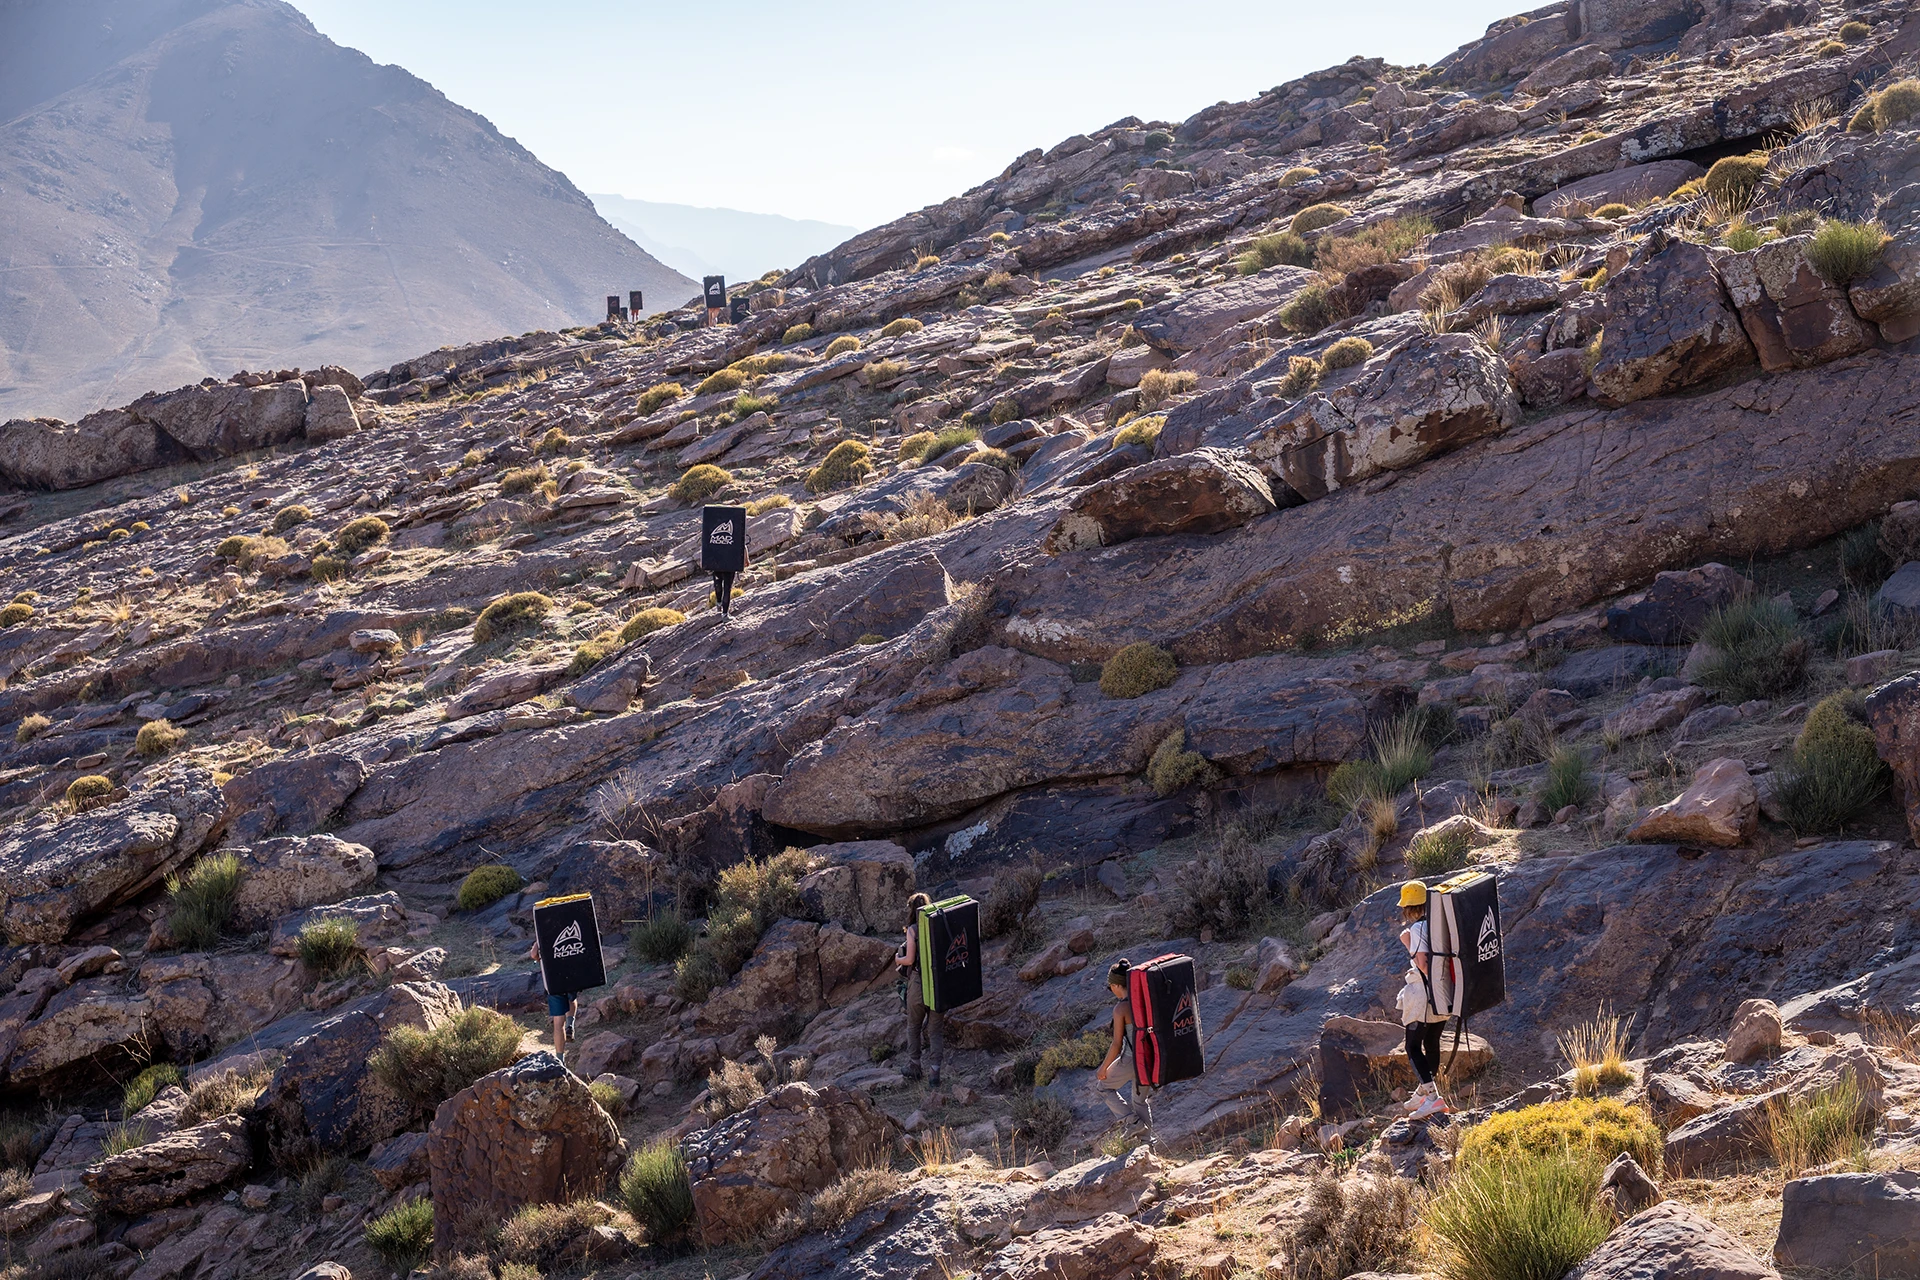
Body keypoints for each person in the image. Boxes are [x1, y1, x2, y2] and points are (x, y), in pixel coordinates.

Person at [1394, 881, 1450, 1119]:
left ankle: (1433, 1098)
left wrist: (1408, 944)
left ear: (1408, 908)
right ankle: (1422, 1093)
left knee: (1413, 1046)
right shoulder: (1443, 923)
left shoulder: (1417, 929)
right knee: (1432, 1041)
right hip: (1446, 991)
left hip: (1424, 994)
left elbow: (1424, 965)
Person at [1093, 959, 1151, 1126]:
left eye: (1111, 986)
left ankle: (1133, 1123)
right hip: (1149, 1057)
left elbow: (1117, 1044)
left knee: (1103, 1088)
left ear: (1117, 985)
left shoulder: (1121, 1009)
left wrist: (1103, 1068)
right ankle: (1148, 1143)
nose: (1111, 990)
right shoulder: (1145, 999)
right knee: (1140, 1102)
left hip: (1131, 1059)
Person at [896, 892, 944, 1085]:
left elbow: (909, 960)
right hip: (939, 984)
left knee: (914, 1025)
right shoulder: (938, 924)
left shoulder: (913, 930)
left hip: (918, 983)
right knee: (936, 1030)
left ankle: (914, 1065)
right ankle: (935, 1073)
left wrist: (897, 959)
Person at [528, 940, 576, 1055]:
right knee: (571, 998)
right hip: (572, 973)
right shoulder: (571, 923)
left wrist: (539, 958)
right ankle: (570, 1024)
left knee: (558, 1023)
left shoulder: (543, 930)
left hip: (553, 979)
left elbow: (534, 954)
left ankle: (560, 1059)